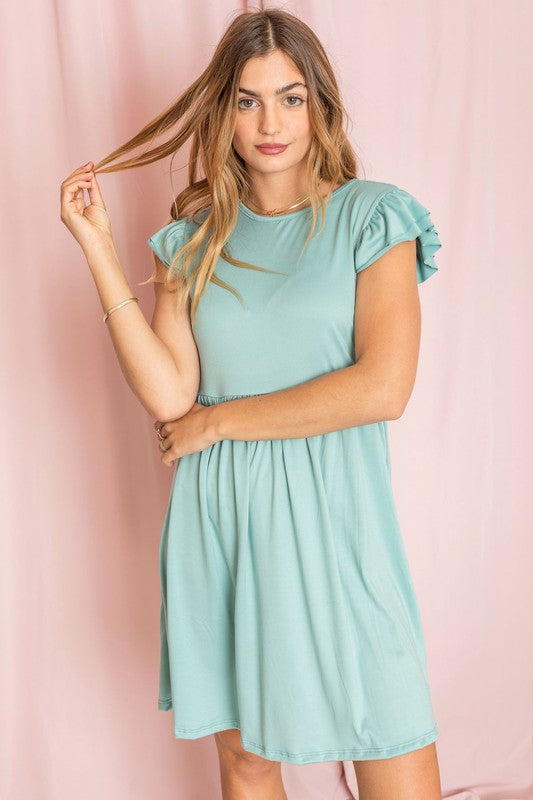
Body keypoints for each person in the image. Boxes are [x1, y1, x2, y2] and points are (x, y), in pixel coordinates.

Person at [60, 8, 444, 799]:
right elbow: (169, 391)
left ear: (320, 106)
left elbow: (383, 387)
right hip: (222, 522)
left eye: (291, 97)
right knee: (245, 763)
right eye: (246, 99)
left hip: (339, 523)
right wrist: (98, 249)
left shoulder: (373, 218)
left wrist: (217, 421)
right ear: (222, 112)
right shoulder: (192, 241)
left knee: (390, 733)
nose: (270, 122)